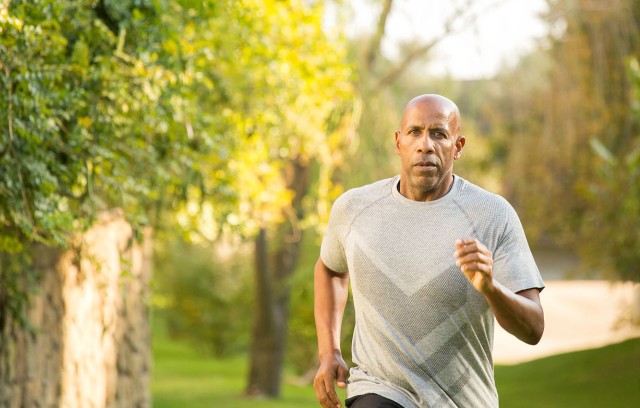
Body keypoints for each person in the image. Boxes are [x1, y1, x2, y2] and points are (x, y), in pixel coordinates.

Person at [313, 94, 545, 408]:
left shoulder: (492, 215)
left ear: (458, 146)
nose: (426, 145)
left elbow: (533, 329)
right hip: (378, 389)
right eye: (415, 132)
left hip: (463, 400)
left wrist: (491, 288)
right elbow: (329, 269)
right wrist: (329, 352)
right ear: (398, 142)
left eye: (438, 134)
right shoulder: (355, 209)